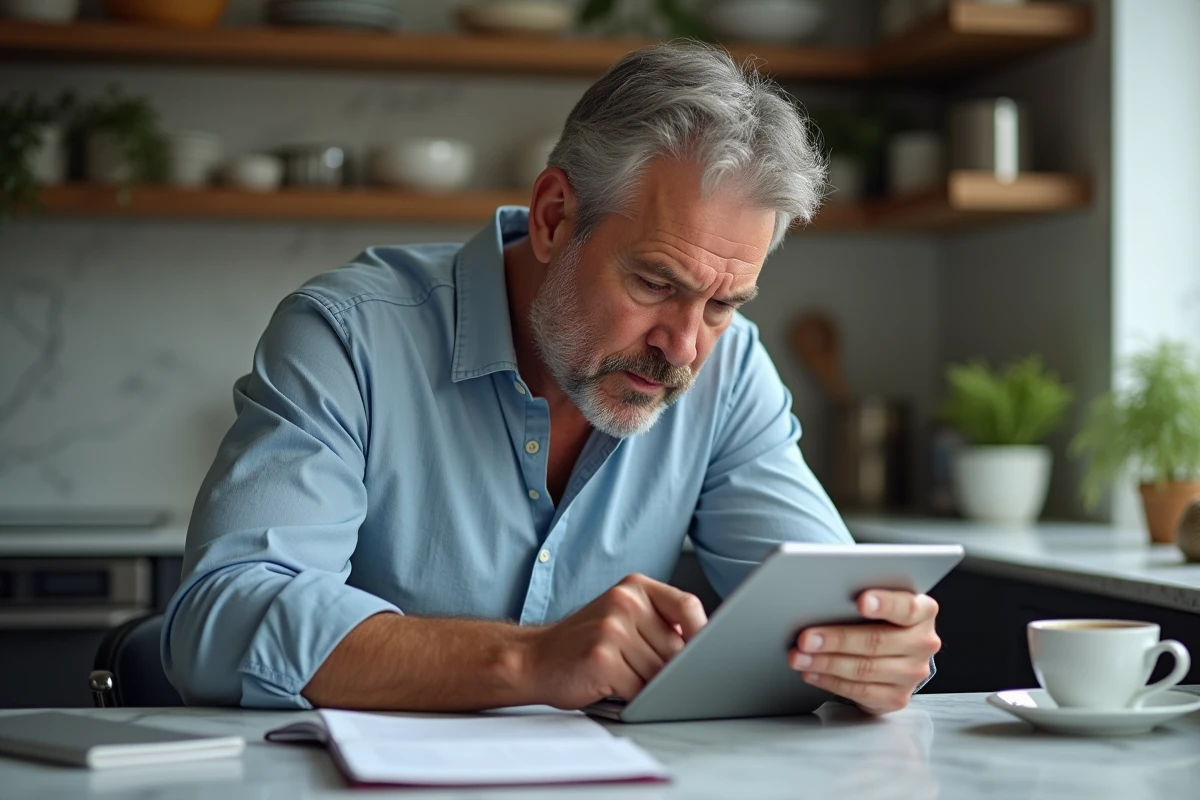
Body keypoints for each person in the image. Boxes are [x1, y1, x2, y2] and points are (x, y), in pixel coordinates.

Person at [162, 42, 941, 716]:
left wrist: (877, 649)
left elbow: (830, 602)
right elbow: (219, 621)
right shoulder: (349, 336)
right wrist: (528, 661)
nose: (682, 348)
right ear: (553, 215)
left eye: (723, 303)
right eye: (655, 283)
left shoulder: (728, 369)